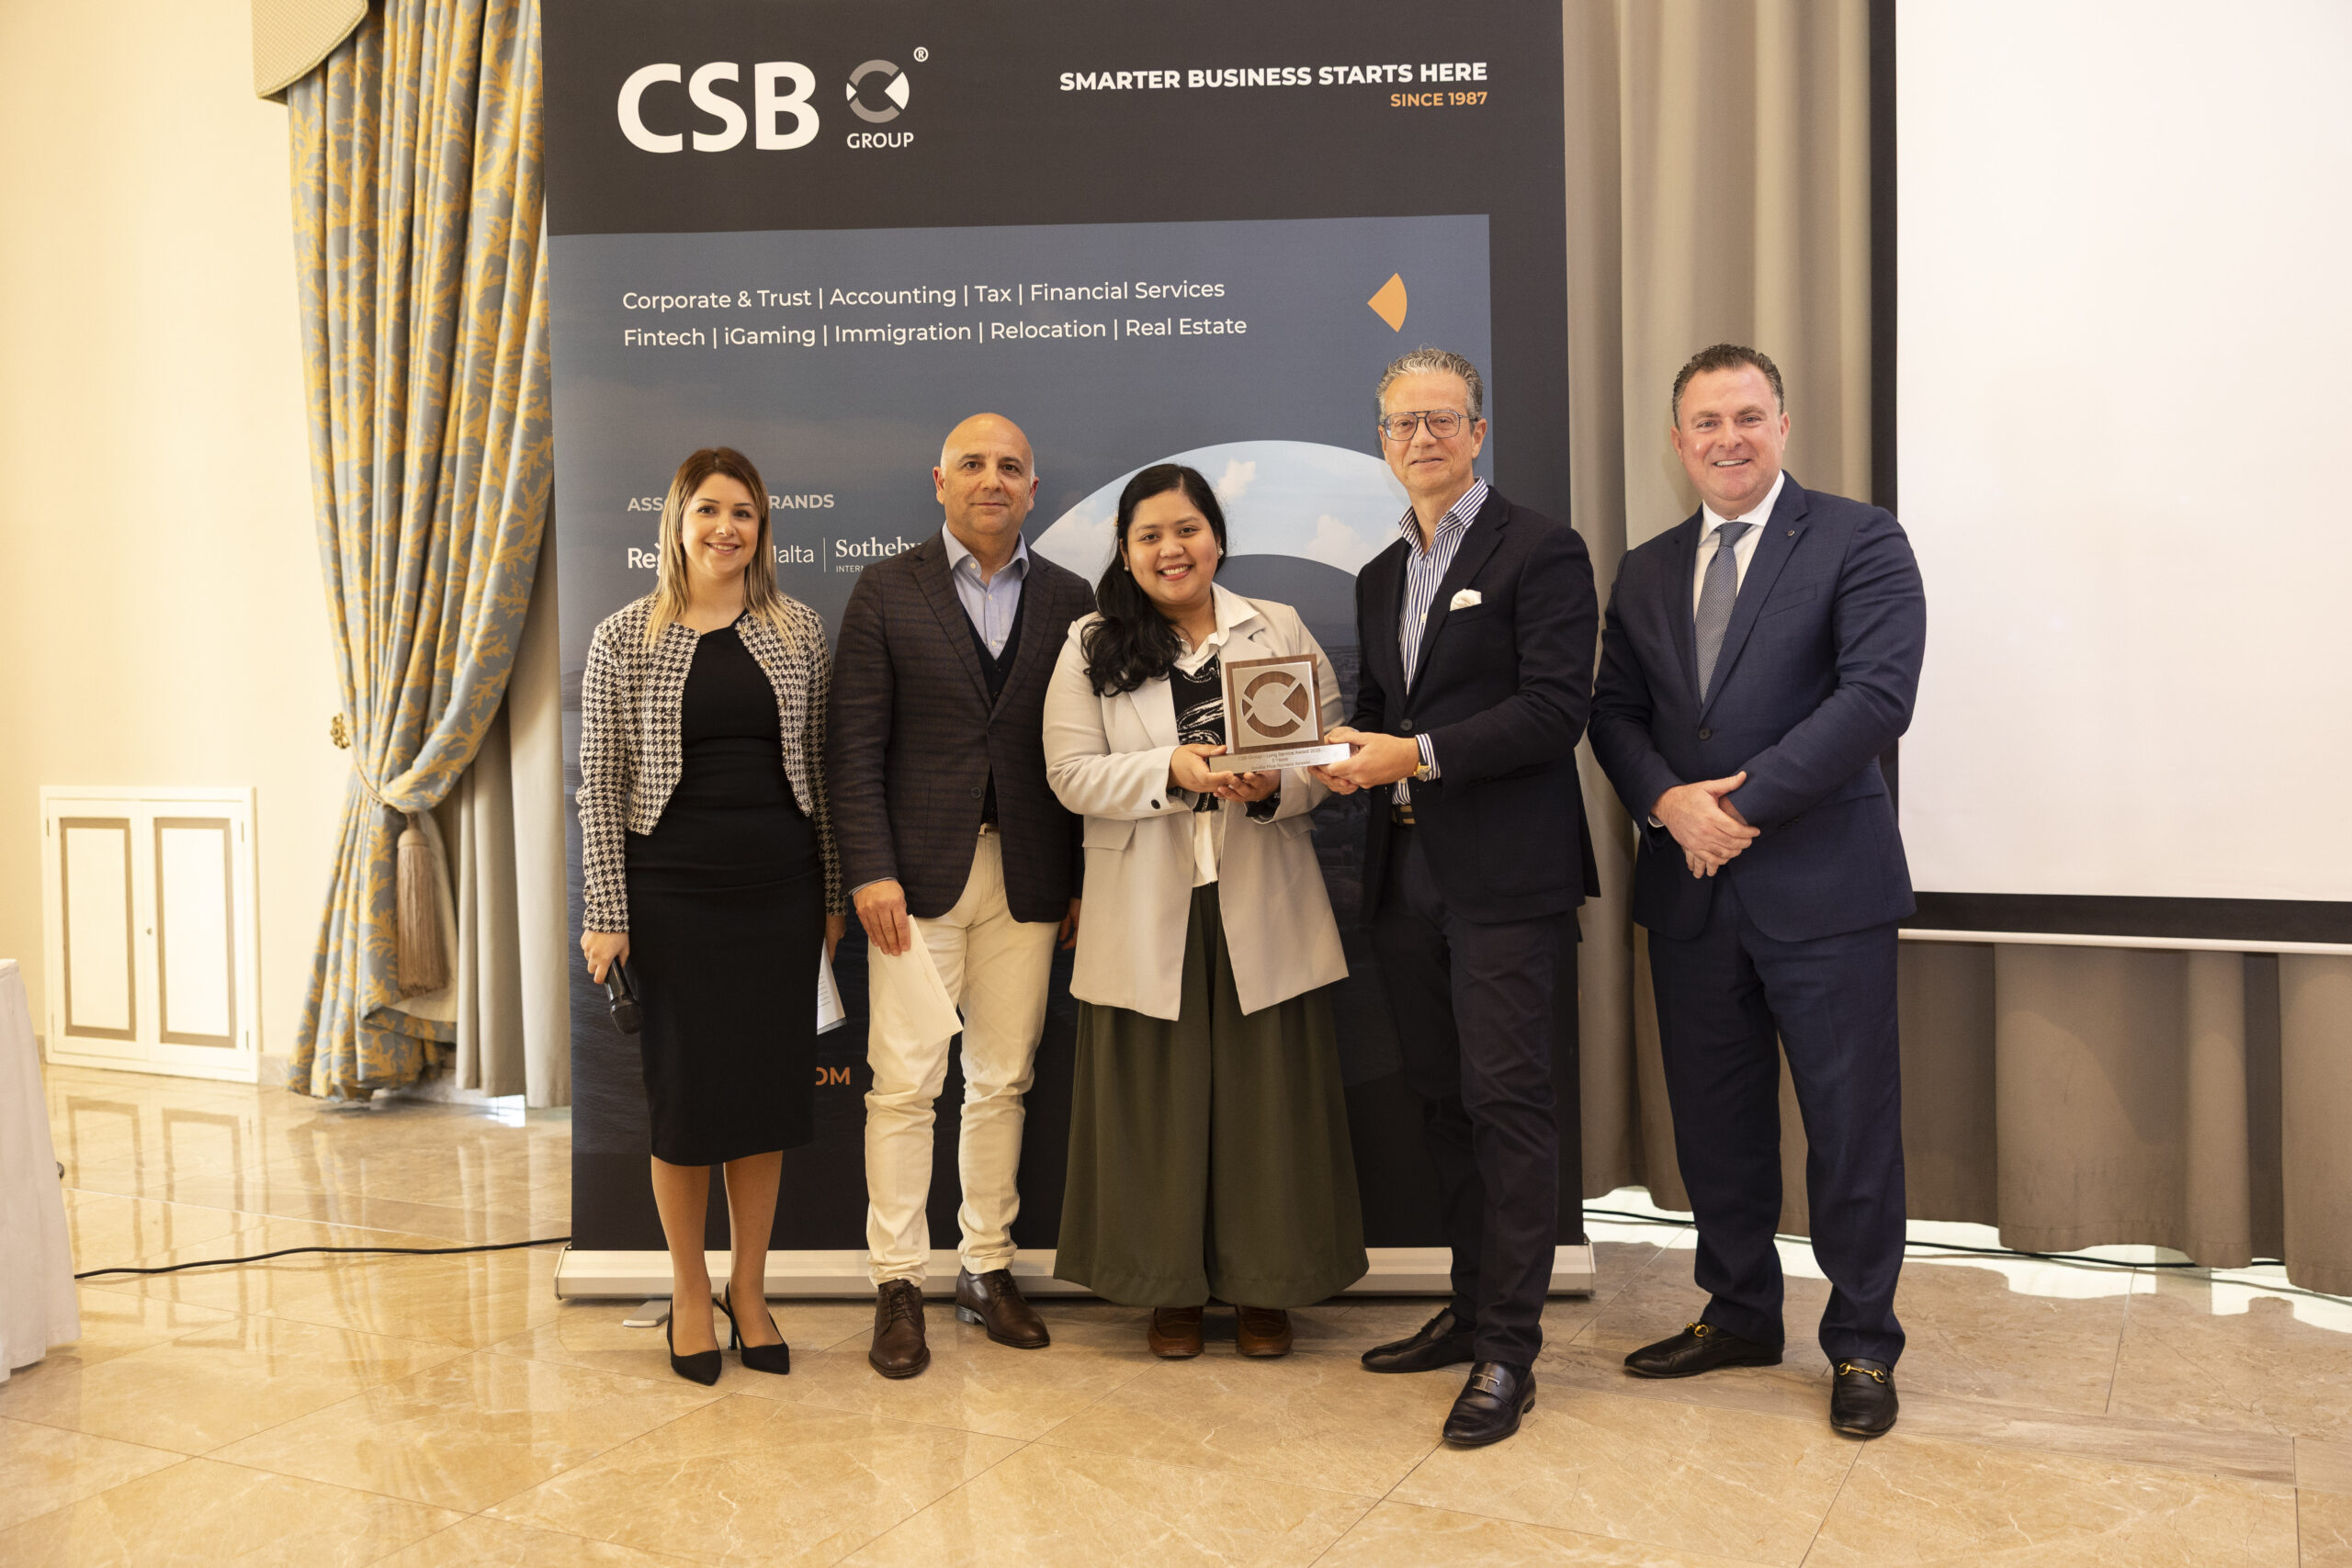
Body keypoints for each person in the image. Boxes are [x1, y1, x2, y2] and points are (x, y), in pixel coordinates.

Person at [1588, 344, 1926, 1438]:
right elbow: (1613, 715)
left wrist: (1734, 811)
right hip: (1690, 895)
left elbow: (1875, 697)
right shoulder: (1644, 568)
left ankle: (1862, 1343)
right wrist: (1666, 803)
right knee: (1715, 1124)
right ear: (1677, 441)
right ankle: (1737, 1313)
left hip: (1824, 890)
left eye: (1746, 416)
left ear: (1782, 424)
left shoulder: (1859, 539)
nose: (1727, 438)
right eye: (1706, 422)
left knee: (1850, 1126)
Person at [1315, 347, 1598, 1448]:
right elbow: (1383, 712)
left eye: (1441, 419)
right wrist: (1334, 756)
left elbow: (1555, 711)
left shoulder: (1541, 548)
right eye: (1401, 423)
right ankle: (1472, 1308)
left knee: (1508, 1104)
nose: (1421, 438)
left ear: (1477, 432)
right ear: (1380, 442)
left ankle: (1509, 1351)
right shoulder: (1379, 573)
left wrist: (1415, 755)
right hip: (1403, 880)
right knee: (1440, 1101)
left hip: (1505, 881)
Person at [1043, 463, 1366, 1357]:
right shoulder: (1090, 642)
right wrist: (1173, 771)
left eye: (1186, 529)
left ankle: (1268, 1287)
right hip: (1147, 902)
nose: (1170, 549)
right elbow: (1069, 774)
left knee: (1270, 1102)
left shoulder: (1278, 627)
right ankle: (1168, 1290)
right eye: (1148, 535)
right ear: (1125, 552)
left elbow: (1327, 756)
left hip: (1260, 894)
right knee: (1157, 1106)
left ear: (1216, 537)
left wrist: (1273, 787)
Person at [827, 413, 1094, 1379]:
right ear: (939, 481)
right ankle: (898, 1282)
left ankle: (985, 1267)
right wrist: (869, 869)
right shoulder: (884, 590)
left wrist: (1080, 880)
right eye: (973, 464)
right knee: (904, 1087)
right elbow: (852, 746)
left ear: (1033, 489)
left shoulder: (1071, 598)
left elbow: (1087, 748)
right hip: (912, 885)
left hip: (1029, 880)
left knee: (1003, 1079)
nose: (992, 479)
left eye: (1010, 467)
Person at [577, 446, 845, 1386]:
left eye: (743, 512)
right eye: (708, 510)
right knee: (685, 1105)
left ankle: (750, 1289)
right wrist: (606, 909)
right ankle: (690, 1292)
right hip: (671, 901)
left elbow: (822, 771)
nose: (726, 528)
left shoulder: (799, 629)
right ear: (677, 522)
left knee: (764, 1103)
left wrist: (831, 897)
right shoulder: (623, 637)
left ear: (762, 528)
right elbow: (600, 785)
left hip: (779, 896)